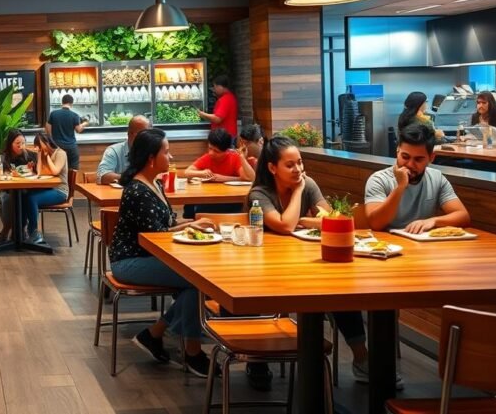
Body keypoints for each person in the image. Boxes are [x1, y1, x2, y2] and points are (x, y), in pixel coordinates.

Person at [248, 136, 389, 386]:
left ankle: (361, 357)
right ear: (272, 168)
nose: (299, 170)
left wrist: (303, 219)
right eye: (290, 165)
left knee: (339, 290)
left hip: (306, 263)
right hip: (268, 270)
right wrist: (299, 197)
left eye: (300, 163)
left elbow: (330, 218)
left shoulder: (308, 183)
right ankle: (257, 360)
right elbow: (283, 225)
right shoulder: (260, 193)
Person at [108, 128, 217, 376]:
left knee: (196, 281)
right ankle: (190, 350)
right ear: (150, 158)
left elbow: (165, 226)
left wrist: (191, 225)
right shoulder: (138, 191)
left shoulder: (153, 183)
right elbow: (155, 238)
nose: (171, 157)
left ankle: (158, 334)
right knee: (196, 280)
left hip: (149, 257)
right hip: (130, 261)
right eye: (166, 152)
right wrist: (192, 225)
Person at [364, 123, 470, 234]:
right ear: (397, 151)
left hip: (422, 246)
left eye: (418, 159)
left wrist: (433, 221)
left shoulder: (436, 178)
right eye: (405, 157)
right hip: (388, 245)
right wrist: (400, 187)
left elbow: (463, 216)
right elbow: (375, 224)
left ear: (431, 158)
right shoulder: (379, 179)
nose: (410, 164)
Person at [19, 132, 68, 244]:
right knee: (24, 194)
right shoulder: (42, 153)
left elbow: (55, 171)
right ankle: (20, 230)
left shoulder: (60, 153)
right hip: (48, 188)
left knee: (32, 198)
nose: (38, 148)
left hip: (60, 191)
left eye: (40, 145)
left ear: (47, 142)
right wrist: (40, 155)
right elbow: (40, 173)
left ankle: (34, 232)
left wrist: (47, 157)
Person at [0, 129, 37, 242]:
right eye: (17, 143)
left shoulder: (31, 156)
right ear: (10, 144)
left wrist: (33, 170)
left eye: (23, 143)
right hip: (8, 190)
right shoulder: (4, 157)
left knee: (24, 198)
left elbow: (39, 174)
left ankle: (21, 228)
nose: (21, 146)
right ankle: (8, 228)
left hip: (26, 190)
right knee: (8, 200)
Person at [184, 128, 255, 183]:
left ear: (226, 151)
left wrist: (224, 178)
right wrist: (201, 173)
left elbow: (250, 178)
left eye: (216, 151)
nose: (211, 153)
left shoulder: (234, 157)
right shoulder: (207, 157)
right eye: (210, 148)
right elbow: (187, 172)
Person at [96, 115, 151, 185]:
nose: (148, 138)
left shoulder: (153, 150)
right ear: (129, 134)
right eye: (143, 135)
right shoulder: (114, 151)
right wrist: (133, 179)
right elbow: (103, 176)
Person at [45, 94, 88, 171]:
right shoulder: (74, 115)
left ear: (62, 102)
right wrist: (85, 123)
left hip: (57, 146)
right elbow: (78, 130)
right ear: (71, 104)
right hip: (71, 147)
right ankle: (70, 183)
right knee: (73, 170)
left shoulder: (53, 114)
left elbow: (48, 129)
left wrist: (52, 141)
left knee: (58, 169)